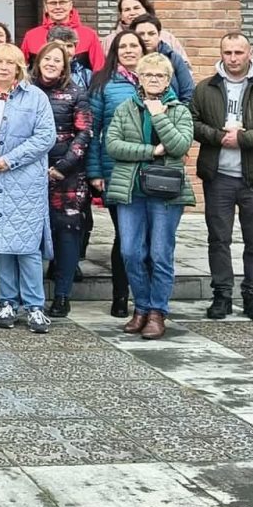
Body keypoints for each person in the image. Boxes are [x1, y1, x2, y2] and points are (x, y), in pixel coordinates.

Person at [192, 32, 253, 324]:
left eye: (238, 52)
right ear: (221, 54)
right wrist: (218, 136)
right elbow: (192, 123)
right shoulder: (205, 88)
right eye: (228, 52)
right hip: (218, 177)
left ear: (250, 53)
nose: (233, 58)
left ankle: (252, 297)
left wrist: (243, 139)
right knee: (218, 240)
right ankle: (222, 296)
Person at [0, 44, 57, 333]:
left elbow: (45, 136)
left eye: (10, 63)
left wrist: (10, 160)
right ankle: (7, 302)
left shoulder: (35, 97)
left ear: (19, 67)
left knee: (26, 246)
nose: (4, 67)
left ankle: (35, 306)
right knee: (1, 245)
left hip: (23, 182)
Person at [105, 52, 195, 340]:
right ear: (139, 78)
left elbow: (179, 146)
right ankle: (141, 307)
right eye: (148, 74)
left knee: (159, 254)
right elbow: (113, 145)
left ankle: (157, 312)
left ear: (168, 80)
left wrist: (159, 115)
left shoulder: (179, 111)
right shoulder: (125, 108)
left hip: (165, 193)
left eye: (160, 75)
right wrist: (150, 151)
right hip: (131, 190)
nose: (154, 79)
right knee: (130, 252)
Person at [31, 42, 93, 318]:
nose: (51, 63)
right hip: (30, 172)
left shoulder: (76, 93)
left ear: (65, 65)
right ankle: (30, 294)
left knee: (67, 231)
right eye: (47, 58)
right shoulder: (26, 89)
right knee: (32, 232)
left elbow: (84, 133)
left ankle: (62, 295)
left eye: (57, 60)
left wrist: (63, 166)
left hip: (68, 174)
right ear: (38, 61)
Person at [88, 29, 145, 318]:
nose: (129, 50)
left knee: (149, 237)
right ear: (115, 52)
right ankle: (120, 296)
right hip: (115, 170)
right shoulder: (104, 84)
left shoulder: (156, 79)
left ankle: (146, 297)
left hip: (150, 171)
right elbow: (92, 131)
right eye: (123, 46)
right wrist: (95, 171)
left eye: (134, 45)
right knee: (125, 236)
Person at [20, 0, 104, 73]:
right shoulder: (31, 36)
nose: (58, 7)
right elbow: (22, 70)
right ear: (46, 6)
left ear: (71, 5)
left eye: (62, 2)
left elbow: (99, 70)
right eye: (53, 3)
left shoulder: (89, 35)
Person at [101, 0, 189, 59]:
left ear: (146, 10)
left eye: (136, 8)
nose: (132, 13)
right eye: (127, 10)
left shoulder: (166, 38)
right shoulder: (109, 41)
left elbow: (184, 66)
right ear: (121, 16)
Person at [130, 14, 193, 101]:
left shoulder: (173, 59)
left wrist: (177, 109)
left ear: (159, 35)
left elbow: (188, 94)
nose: (146, 38)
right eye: (141, 34)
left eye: (151, 34)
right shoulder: (128, 61)